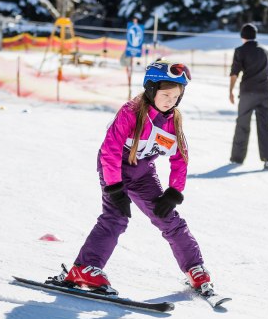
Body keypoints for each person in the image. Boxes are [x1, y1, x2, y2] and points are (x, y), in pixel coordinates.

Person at [52, 60, 216, 296]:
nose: (171, 101)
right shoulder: (131, 112)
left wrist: (173, 192)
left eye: (176, 96)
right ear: (151, 90)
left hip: (143, 174)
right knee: (116, 217)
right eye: (166, 94)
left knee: (168, 218)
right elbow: (110, 150)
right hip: (115, 170)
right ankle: (85, 268)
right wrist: (114, 188)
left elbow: (180, 159)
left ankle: (195, 268)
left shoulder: (172, 121)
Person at [229, 23, 268, 170]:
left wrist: (230, 91)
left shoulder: (240, 51)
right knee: (264, 126)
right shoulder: (266, 51)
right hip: (265, 92)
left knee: (243, 124)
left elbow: (235, 73)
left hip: (248, 92)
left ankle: (237, 158)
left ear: (243, 36)